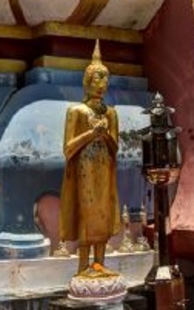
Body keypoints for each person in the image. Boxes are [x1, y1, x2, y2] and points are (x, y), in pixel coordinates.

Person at [60, 41, 120, 277]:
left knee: (103, 212)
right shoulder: (76, 112)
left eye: (105, 79)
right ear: (87, 82)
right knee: (86, 211)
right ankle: (83, 265)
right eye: (98, 78)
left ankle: (99, 263)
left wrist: (105, 135)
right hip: (84, 168)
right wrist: (90, 134)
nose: (102, 84)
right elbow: (67, 148)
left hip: (104, 169)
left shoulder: (111, 113)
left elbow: (115, 149)